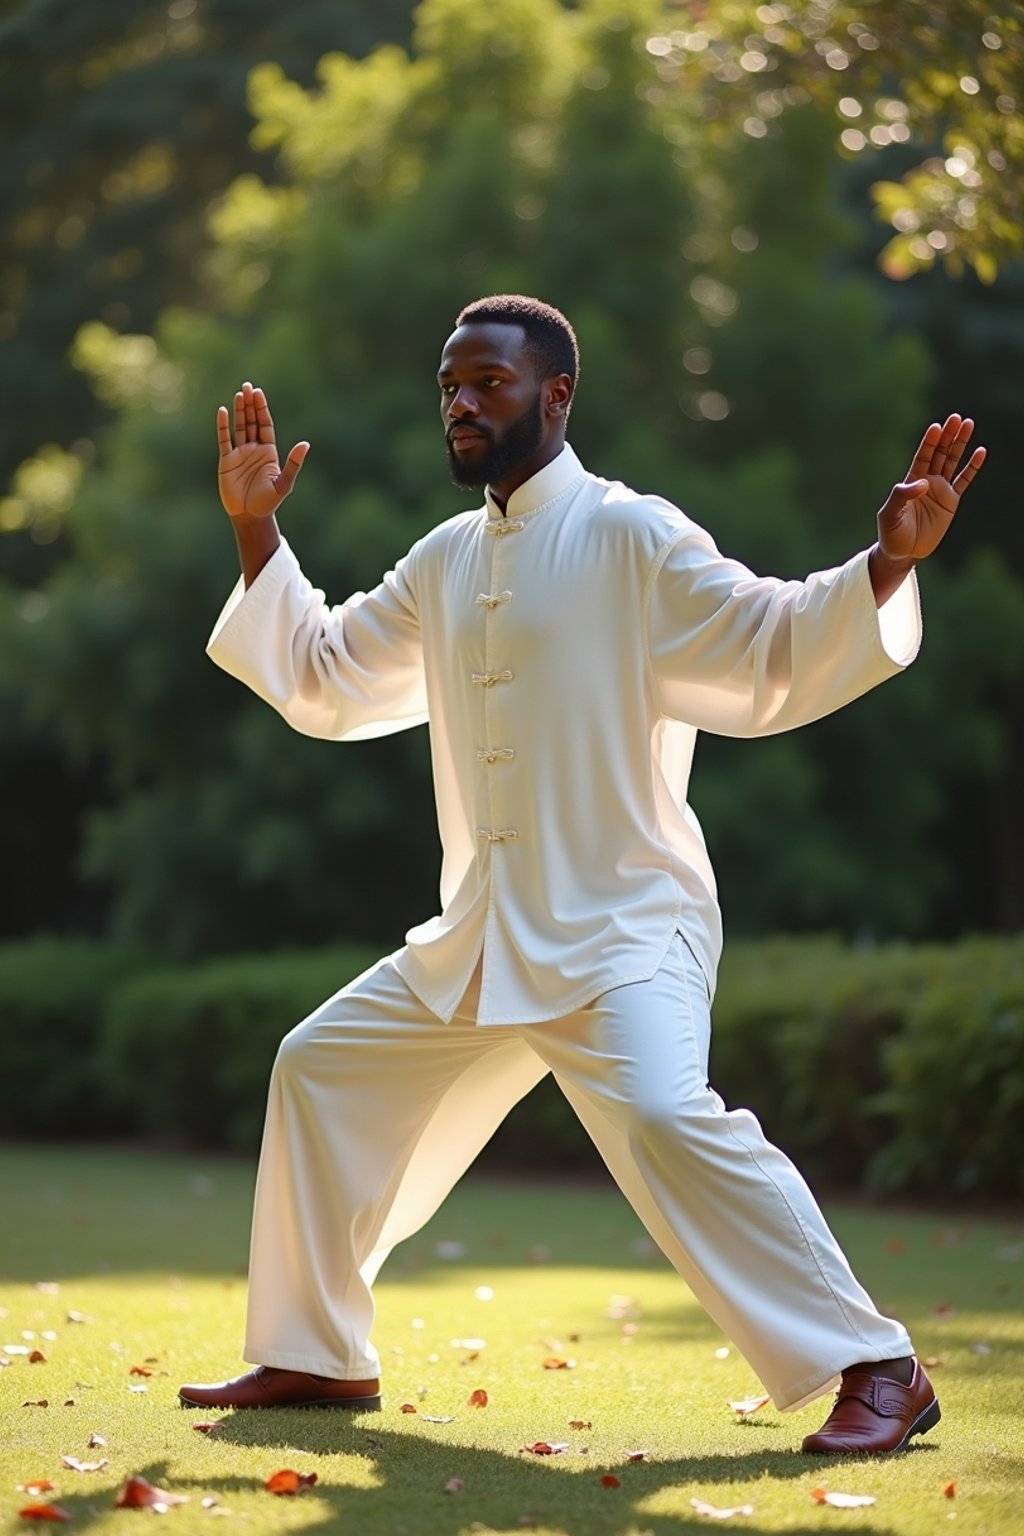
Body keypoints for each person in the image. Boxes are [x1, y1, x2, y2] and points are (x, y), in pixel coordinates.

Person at [179, 294, 985, 1453]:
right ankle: (314, 1358)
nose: (460, 404)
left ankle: (878, 1365)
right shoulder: (446, 558)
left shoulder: (631, 535)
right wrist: (257, 532)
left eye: (488, 385)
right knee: (317, 1069)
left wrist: (884, 564)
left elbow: (767, 641)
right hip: (481, 939)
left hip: (622, 931)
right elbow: (326, 677)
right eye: (450, 386)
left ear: (555, 397)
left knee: (662, 1111)